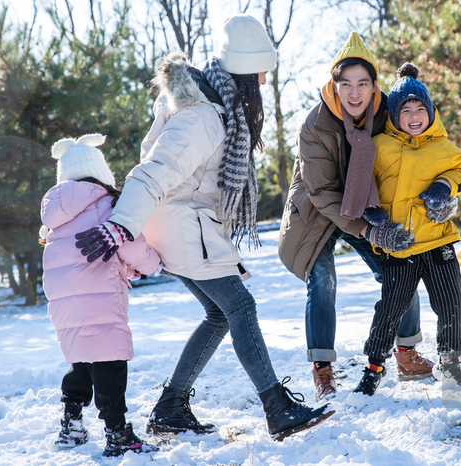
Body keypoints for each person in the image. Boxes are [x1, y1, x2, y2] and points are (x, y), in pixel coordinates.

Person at [73, 15, 331, 441]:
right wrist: (120, 225)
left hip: (181, 225)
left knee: (220, 313)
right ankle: (276, 407)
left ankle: (171, 406)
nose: (265, 80)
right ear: (247, 71)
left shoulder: (210, 107)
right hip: (182, 228)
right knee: (240, 307)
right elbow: (151, 170)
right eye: (262, 71)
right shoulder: (205, 117)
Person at [278, 32, 448, 401]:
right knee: (322, 278)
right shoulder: (314, 125)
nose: (354, 94)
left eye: (363, 84)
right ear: (333, 85)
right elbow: (322, 193)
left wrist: (444, 191)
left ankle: (406, 353)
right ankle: (322, 367)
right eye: (346, 84)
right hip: (317, 211)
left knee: (399, 267)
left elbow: (421, 155)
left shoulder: (389, 112)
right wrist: (372, 233)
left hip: (370, 205)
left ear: (374, 87)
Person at [353, 63, 461, 395]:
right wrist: (370, 209)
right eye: (405, 109)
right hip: (399, 244)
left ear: (430, 111)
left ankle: (450, 366)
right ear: (393, 115)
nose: (413, 115)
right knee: (391, 307)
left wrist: (444, 185)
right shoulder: (379, 145)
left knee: (450, 303)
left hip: (438, 242)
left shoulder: (442, 145)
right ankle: (373, 368)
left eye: (420, 107)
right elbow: (361, 179)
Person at [40, 134, 162, 456]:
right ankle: (117, 432)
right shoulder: (108, 204)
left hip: (65, 306)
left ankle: (72, 422)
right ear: (100, 171)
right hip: (101, 301)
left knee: (81, 360)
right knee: (109, 362)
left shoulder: (55, 216)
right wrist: (155, 264)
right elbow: (130, 243)